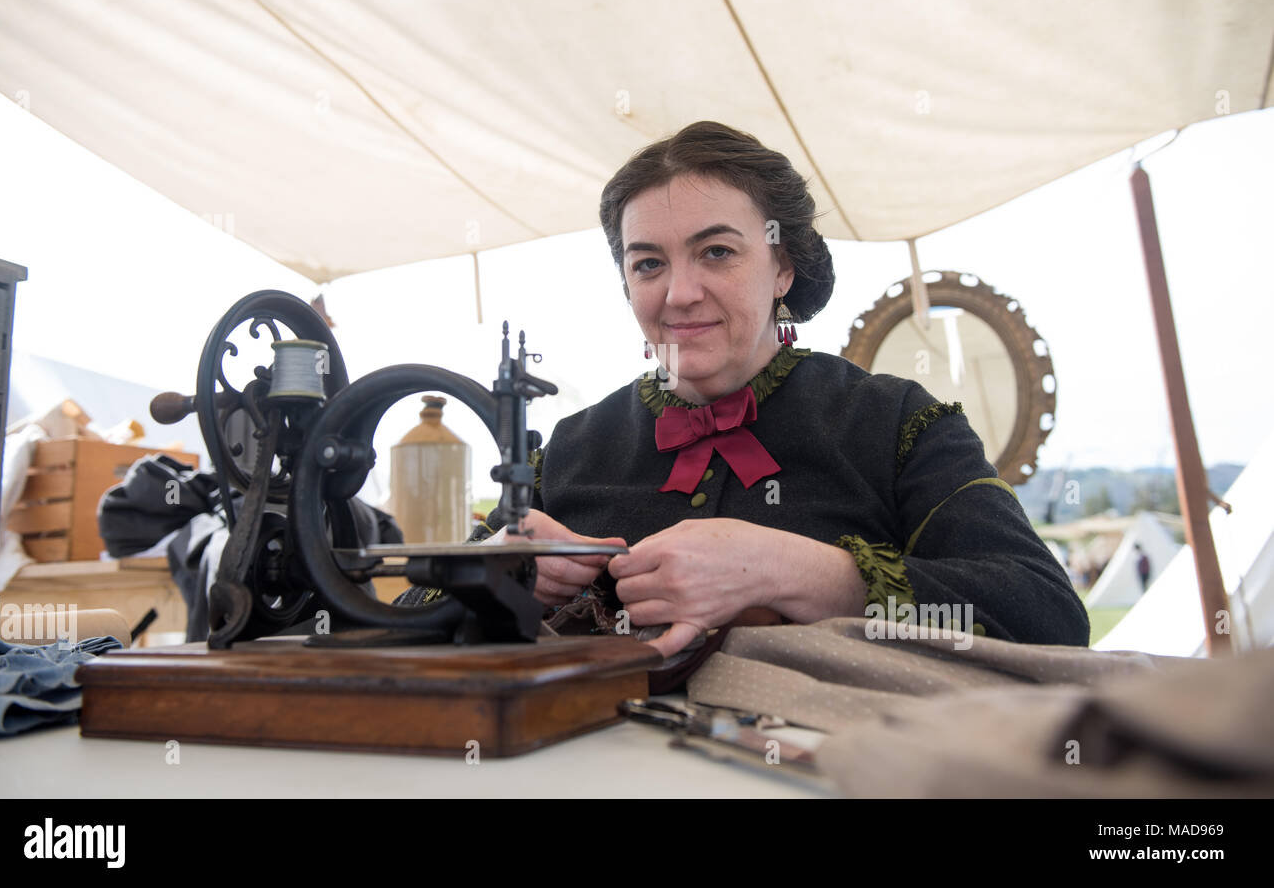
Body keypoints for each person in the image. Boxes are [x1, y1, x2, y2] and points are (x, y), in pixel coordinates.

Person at [425, 121, 1089, 675]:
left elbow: (1048, 617)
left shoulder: (896, 423)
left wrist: (802, 571)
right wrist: (498, 577)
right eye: (648, 263)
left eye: (716, 251)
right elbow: (412, 610)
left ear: (782, 267)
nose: (679, 292)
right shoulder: (567, 451)